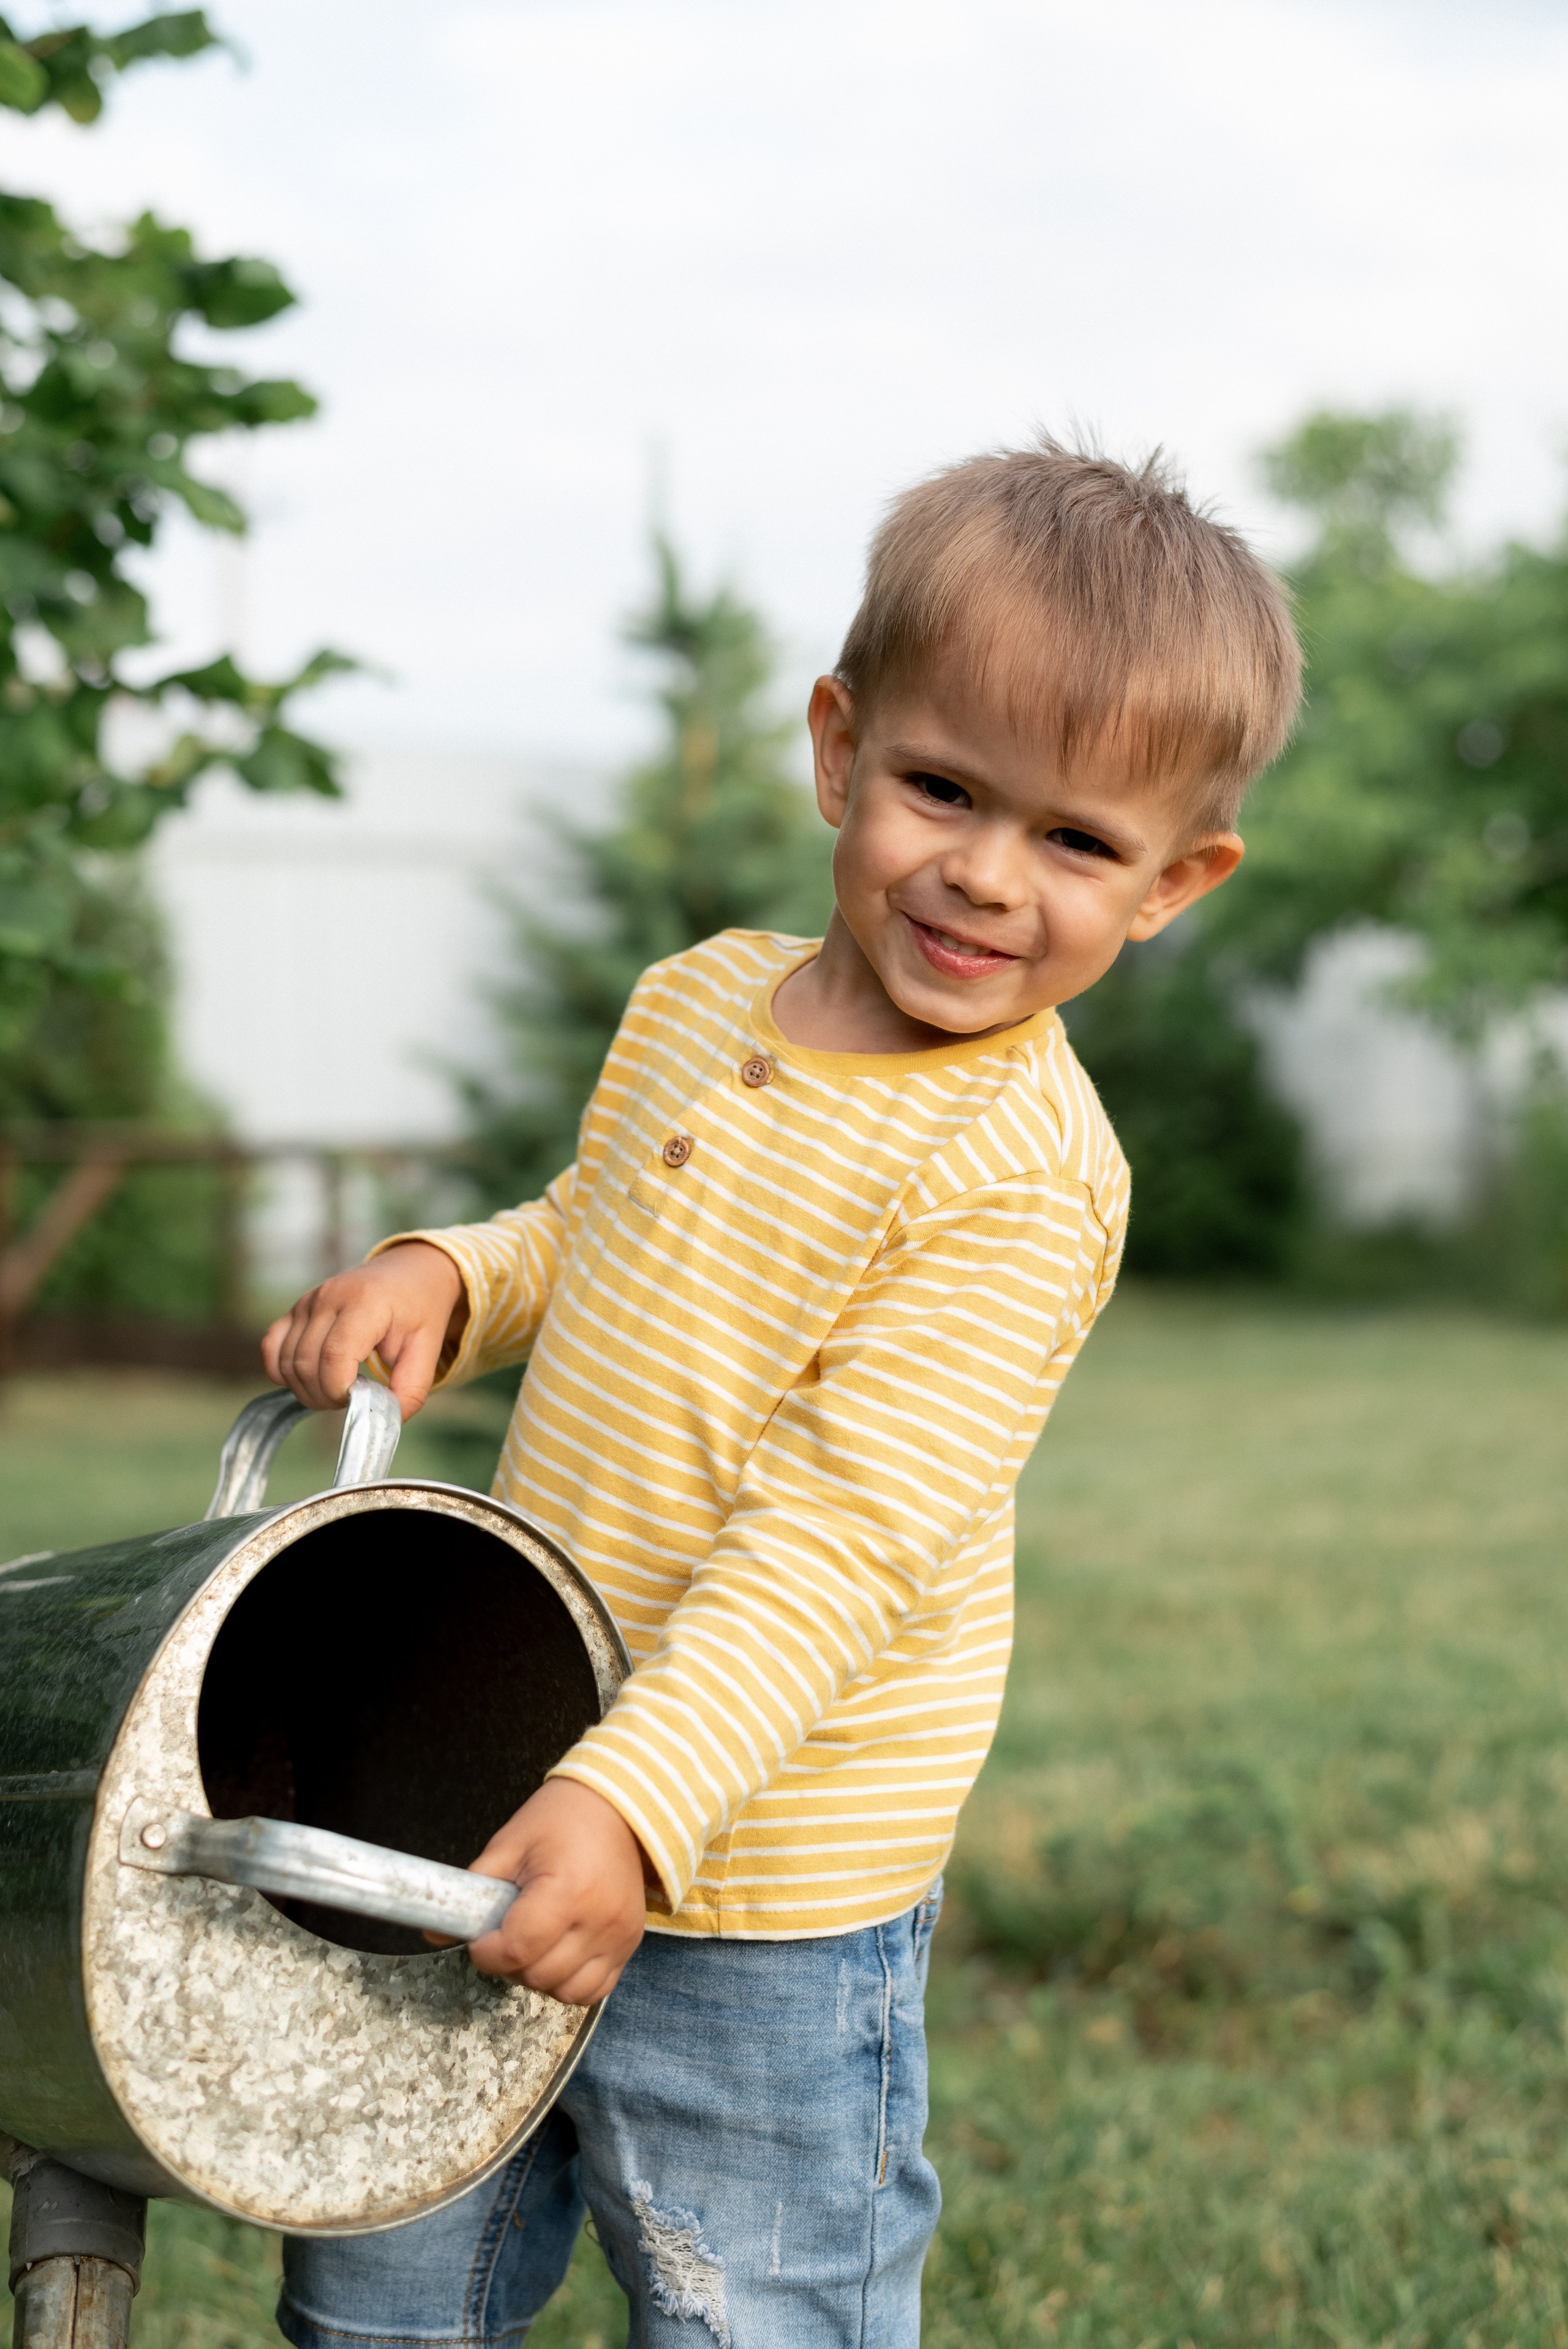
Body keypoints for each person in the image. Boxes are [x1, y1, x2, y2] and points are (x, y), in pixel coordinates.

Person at [265, 437, 1301, 2349]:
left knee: (754, 2310)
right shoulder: (696, 1000)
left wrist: (631, 1806)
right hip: (493, 1767)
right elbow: (595, 1228)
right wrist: (458, 1277)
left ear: (1175, 880)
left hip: (763, 1891)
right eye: (942, 788)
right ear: (840, 748)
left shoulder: (1017, 1173)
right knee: (384, 2276)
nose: (985, 873)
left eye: (1077, 841)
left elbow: (839, 1542)